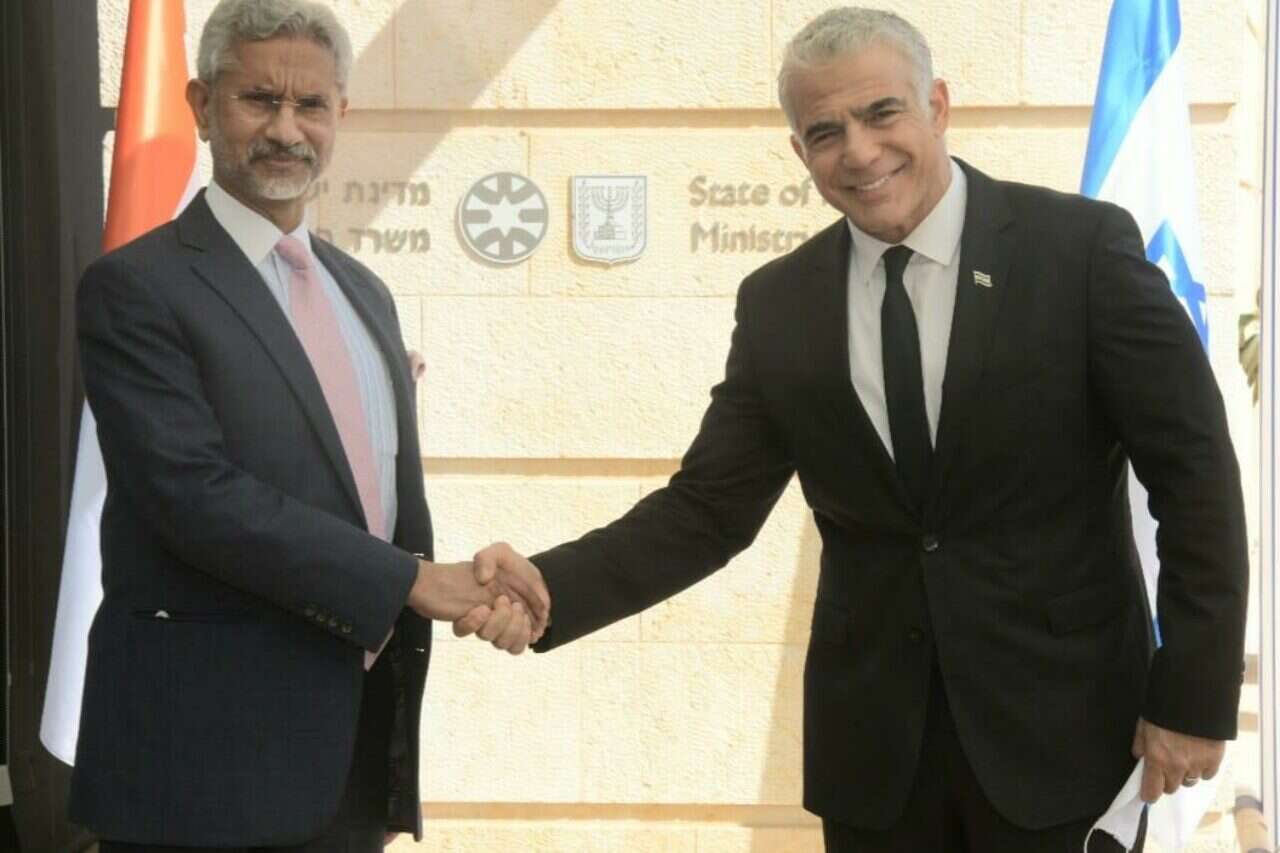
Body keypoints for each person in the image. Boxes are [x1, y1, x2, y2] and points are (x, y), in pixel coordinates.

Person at [465, 7, 1248, 851]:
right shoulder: (781, 303)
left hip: (1066, 739)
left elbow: (1194, 473)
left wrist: (1193, 696)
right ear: (799, 151)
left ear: (937, 105)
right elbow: (706, 511)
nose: (861, 152)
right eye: (826, 132)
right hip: (877, 764)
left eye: (882, 114)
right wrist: (547, 590)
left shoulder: (1079, 251)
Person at [68, 1, 547, 850]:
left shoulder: (364, 293)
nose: (286, 130)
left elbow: (367, 494)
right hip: (200, 767)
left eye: (311, 105)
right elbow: (193, 496)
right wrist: (410, 580)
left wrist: (468, 587)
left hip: (350, 752)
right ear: (201, 104)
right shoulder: (137, 288)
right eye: (260, 100)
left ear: (341, 115)